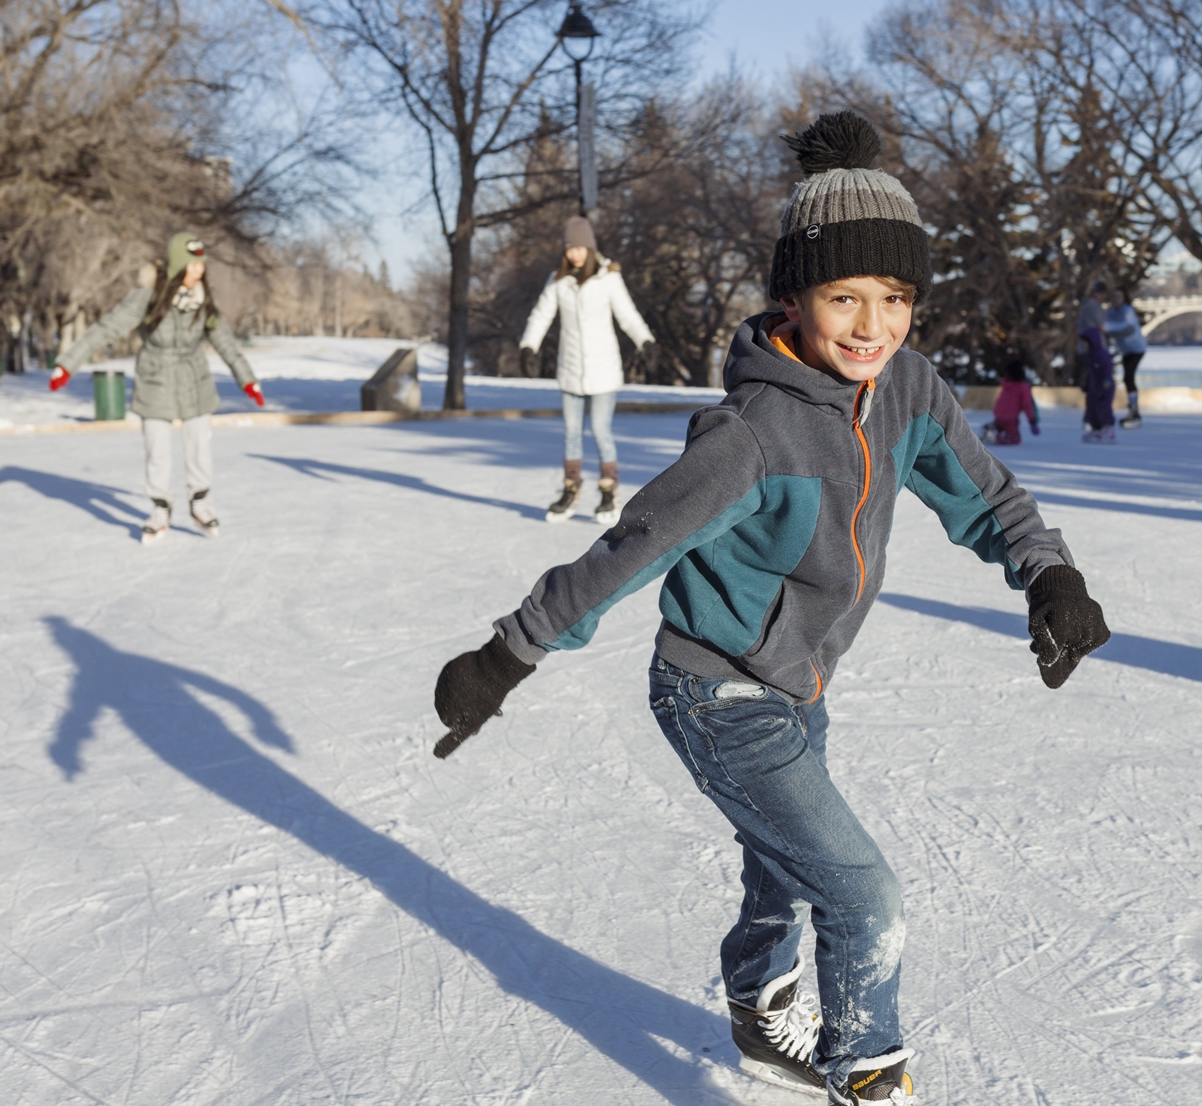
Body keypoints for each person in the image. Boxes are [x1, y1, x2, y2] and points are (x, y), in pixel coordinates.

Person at [431, 112, 1112, 1106]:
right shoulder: (751, 434)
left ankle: (755, 1003)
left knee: (785, 859)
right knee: (859, 889)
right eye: (844, 296)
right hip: (713, 688)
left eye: (894, 297)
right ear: (793, 294)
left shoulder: (905, 386)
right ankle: (868, 1074)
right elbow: (633, 546)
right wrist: (508, 651)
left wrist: (1047, 575)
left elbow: (986, 492)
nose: (872, 324)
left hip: (799, 677)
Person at [51, 232, 263, 543]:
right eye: (192, 265)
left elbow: (224, 340)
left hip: (194, 379)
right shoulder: (148, 295)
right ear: (178, 265)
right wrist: (68, 363)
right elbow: (108, 327)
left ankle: (200, 502)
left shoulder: (204, 298)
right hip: (156, 378)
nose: (198, 271)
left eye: (201, 265)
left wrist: (247, 378)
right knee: (157, 451)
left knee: (199, 446)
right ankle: (160, 508)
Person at [518, 216, 655, 526]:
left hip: (603, 370)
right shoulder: (558, 281)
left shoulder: (608, 279)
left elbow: (628, 315)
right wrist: (529, 345)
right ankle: (570, 489)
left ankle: (609, 490)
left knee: (601, 431)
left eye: (580, 247)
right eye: (569, 248)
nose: (575, 254)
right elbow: (540, 316)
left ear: (590, 248)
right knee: (570, 433)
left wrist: (646, 341)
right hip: (570, 369)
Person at [1076, 279, 1117, 443]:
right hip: (1095, 348)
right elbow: (1102, 326)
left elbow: (1106, 368)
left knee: (1100, 403)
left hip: (1101, 379)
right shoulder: (1094, 307)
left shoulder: (1086, 306)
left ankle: (1103, 428)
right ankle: (1098, 427)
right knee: (1096, 402)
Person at [1104, 287, 1146, 428]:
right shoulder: (1110, 312)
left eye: (1119, 297)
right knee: (1126, 378)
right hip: (1125, 351)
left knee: (1128, 377)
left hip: (1136, 349)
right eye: (1114, 296)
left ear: (1124, 298)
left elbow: (1128, 328)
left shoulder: (1127, 311)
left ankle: (1134, 410)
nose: (1116, 299)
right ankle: (1133, 410)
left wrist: (1107, 328)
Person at [983, 358, 1039, 445]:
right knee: (1015, 438)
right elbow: (1027, 404)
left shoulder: (1006, 384)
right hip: (1010, 418)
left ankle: (992, 427)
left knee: (1002, 424)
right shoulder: (1023, 386)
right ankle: (994, 438)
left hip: (998, 414)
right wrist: (1032, 421)